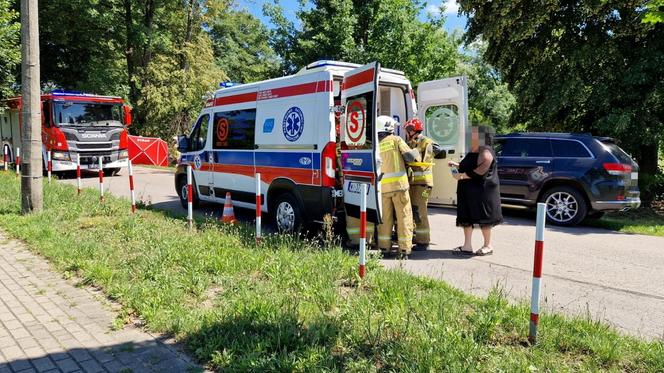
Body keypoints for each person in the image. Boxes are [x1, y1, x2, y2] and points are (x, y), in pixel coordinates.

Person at [448, 125, 502, 256]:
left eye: (473, 135)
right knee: (466, 216)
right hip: (468, 190)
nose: (470, 137)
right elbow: (470, 165)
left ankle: (488, 245)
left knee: (484, 219)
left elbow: (481, 170)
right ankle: (467, 246)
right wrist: (457, 165)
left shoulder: (485, 151)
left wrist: (461, 176)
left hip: (483, 192)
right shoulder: (474, 150)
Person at [376, 116, 421, 258]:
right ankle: (404, 249)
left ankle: (384, 248)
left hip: (383, 188)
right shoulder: (396, 140)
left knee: (385, 218)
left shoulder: (376, 144)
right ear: (389, 127)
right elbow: (410, 158)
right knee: (404, 217)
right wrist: (417, 151)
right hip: (399, 187)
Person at [403, 118, 442, 250]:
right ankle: (418, 236)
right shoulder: (413, 142)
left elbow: (436, 149)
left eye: (407, 131)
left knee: (420, 211)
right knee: (415, 210)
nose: (406, 134)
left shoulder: (424, 141)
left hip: (424, 184)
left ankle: (423, 241)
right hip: (416, 183)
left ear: (411, 130)